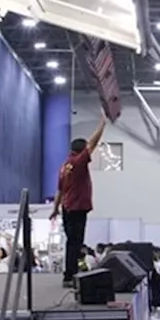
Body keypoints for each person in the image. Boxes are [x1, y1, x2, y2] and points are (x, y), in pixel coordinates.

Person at [50, 112, 106, 288]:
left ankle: (70, 274)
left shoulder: (64, 166)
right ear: (81, 151)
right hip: (77, 207)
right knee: (76, 242)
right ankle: (70, 275)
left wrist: (55, 208)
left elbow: (59, 190)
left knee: (71, 242)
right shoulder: (79, 162)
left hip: (67, 207)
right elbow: (92, 144)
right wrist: (102, 124)